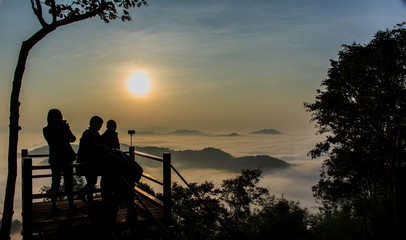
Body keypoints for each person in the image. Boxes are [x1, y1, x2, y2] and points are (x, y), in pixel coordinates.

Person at [43, 109, 76, 212]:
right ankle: (70, 204)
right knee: (69, 183)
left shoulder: (46, 130)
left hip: (54, 159)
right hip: (66, 158)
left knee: (55, 183)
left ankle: (53, 205)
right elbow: (72, 139)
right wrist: (67, 128)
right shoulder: (63, 128)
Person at [77, 116, 104, 203]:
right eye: (99, 124)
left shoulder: (88, 133)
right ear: (95, 124)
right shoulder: (91, 134)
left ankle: (86, 197)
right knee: (92, 181)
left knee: (91, 181)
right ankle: (87, 198)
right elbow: (93, 148)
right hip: (89, 163)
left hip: (88, 162)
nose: (100, 126)